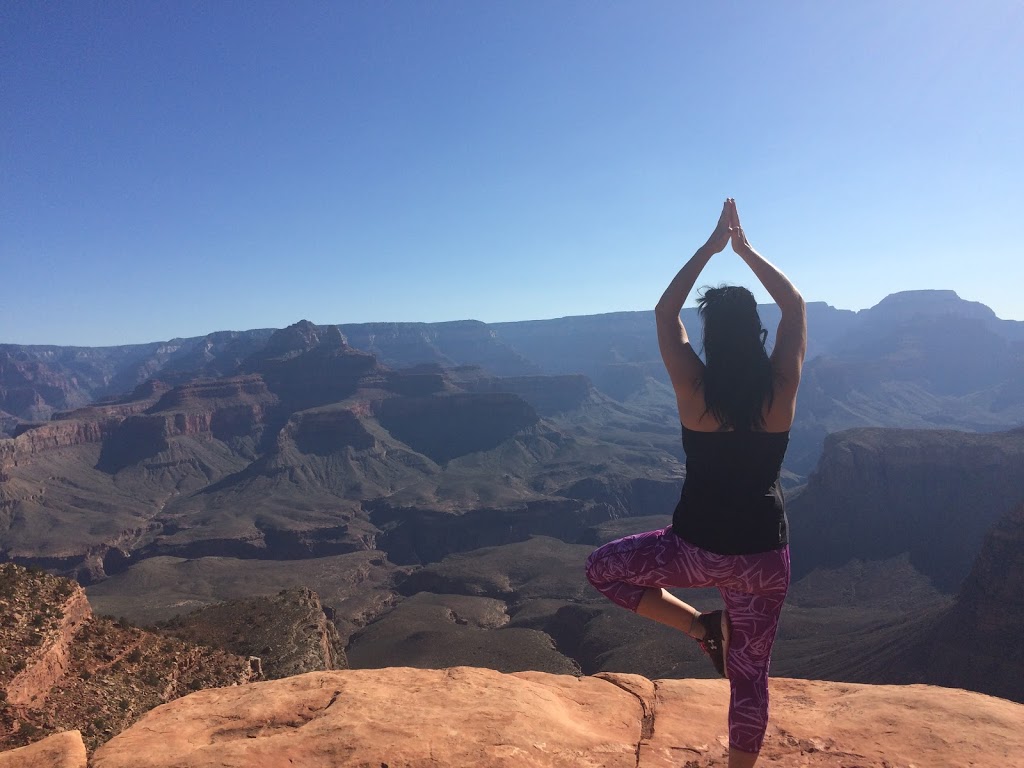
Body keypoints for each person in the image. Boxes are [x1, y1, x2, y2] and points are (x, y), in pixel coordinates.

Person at [585, 199, 806, 768]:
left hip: (692, 555)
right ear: (756, 334)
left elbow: (665, 313)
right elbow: (795, 306)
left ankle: (700, 626)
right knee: (750, 677)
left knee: (602, 568)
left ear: (709, 337)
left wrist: (710, 250)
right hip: (762, 559)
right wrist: (746, 251)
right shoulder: (780, 390)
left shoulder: (694, 389)